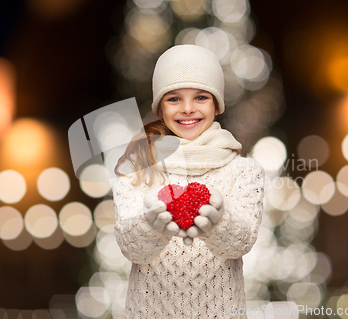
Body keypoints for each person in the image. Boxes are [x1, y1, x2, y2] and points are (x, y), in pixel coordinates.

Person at [112, 44, 265, 318]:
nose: (187, 109)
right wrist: (151, 222)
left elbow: (241, 242)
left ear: (217, 104)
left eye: (201, 97)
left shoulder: (244, 170)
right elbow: (131, 247)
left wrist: (219, 219)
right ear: (160, 107)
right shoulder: (138, 167)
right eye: (174, 99)